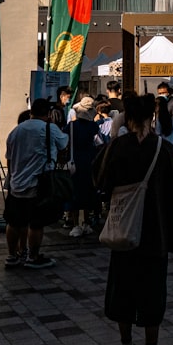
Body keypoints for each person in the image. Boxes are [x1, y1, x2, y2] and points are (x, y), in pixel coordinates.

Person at [99, 92, 173, 345]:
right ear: (152, 116)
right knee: (152, 291)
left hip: (123, 229)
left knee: (122, 289)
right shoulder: (163, 149)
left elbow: (99, 181)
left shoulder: (116, 147)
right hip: (155, 231)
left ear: (127, 116)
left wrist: (116, 131)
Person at [3, 98, 68, 269]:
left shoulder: (16, 131)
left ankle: (12, 256)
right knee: (36, 223)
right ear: (48, 114)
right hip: (39, 183)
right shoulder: (49, 128)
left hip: (16, 183)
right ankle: (33, 256)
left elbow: (8, 158)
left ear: (31, 112)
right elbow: (64, 144)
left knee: (14, 222)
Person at [67, 94, 98, 237]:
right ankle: (86, 222)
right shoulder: (93, 126)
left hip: (74, 163)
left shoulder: (71, 126)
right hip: (90, 162)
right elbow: (99, 143)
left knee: (74, 193)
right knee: (88, 193)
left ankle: (75, 224)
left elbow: (63, 143)